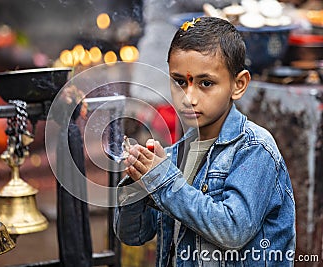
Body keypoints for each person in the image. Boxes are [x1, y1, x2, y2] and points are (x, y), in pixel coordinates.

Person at [114, 16, 296, 266]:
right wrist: (139, 180)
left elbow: (233, 231)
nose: (189, 97)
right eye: (179, 82)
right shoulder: (175, 154)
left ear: (238, 84)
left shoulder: (255, 149)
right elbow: (133, 235)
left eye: (206, 83)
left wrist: (163, 181)